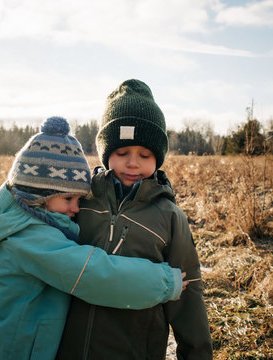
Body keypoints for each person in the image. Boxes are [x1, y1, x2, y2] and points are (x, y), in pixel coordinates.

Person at [0, 116, 187, 360]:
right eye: (68, 199)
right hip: (6, 351)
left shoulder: (22, 222)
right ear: (39, 196)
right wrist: (163, 281)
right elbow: (94, 274)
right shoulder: (30, 239)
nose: (76, 209)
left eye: (79, 200)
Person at [56, 80, 213, 359]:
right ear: (106, 154)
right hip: (69, 347)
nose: (133, 163)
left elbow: (189, 299)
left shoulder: (170, 218)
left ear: (158, 157)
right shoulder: (80, 201)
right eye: (122, 153)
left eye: (145, 154)